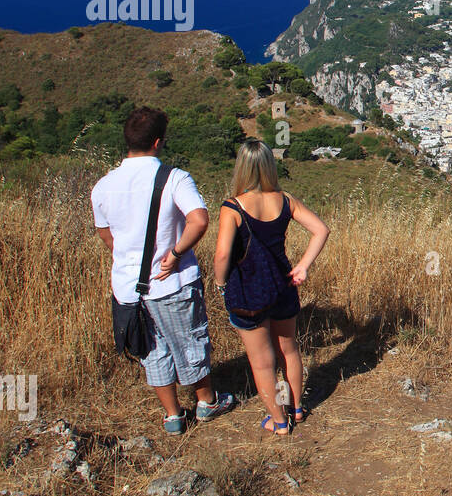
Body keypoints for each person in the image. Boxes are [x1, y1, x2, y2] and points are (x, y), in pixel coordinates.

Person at [92, 107, 235, 434]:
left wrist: (126, 258)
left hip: (128, 289)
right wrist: (175, 252)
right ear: (158, 142)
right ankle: (207, 402)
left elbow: (105, 233)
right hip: (171, 283)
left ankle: (173, 416)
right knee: (190, 341)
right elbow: (199, 219)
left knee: (151, 350)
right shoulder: (174, 178)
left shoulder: (103, 186)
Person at [214, 139, 329, 436]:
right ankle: (296, 408)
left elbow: (223, 255)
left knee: (262, 362)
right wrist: (303, 266)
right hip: (283, 284)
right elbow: (321, 229)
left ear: (241, 167)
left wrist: (218, 282)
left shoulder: (232, 208)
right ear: (268, 165)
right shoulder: (285, 200)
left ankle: (279, 421)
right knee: (288, 350)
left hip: (248, 292)